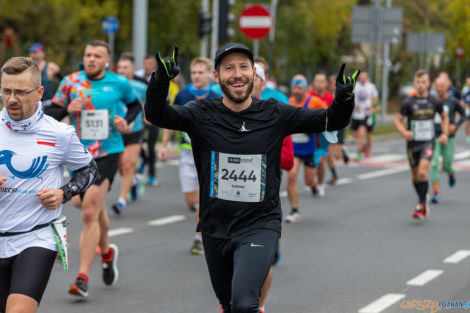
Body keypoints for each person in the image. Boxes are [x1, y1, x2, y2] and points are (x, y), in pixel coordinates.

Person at [145, 42, 357, 313]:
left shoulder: (275, 113)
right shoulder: (201, 114)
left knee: (246, 304)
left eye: (244, 67)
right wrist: (160, 80)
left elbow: (332, 120)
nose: (237, 74)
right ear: (217, 76)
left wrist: (344, 97)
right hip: (215, 227)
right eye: (229, 68)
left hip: (259, 224)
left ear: (254, 74)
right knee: (229, 305)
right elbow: (156, 114)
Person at [44, 40, 142, 297]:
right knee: (90, 207)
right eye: (88, 55)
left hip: (107, 152)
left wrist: (125, 122)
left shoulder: (119, 83)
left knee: (89, 211)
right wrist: (66, 108)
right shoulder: (71, 82)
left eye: (97, 56)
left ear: (106, 61)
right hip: (77, 154)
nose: (91, 59)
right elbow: (50, 112)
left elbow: (135, 106)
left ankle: (82, 278)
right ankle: (107, 252)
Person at [0, 56, 98, 313]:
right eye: (6, 90)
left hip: (37, 236)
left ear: (39, 92)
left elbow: (89, 168)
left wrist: (64, 193)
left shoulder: (58, 133)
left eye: (20, 92)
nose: (12, 99)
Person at [157, 57, 220, 255]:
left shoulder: (218, 95)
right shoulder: (183, 95)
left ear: (210, 74)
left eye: (201, 72)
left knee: (205, 196)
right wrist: (165, 144)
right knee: (191, 200)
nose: (197, 76)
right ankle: (206, 222)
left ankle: (199, 237)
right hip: (187, 151)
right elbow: (171, 119)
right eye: (194, 73)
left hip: (211, 153)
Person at [250, 62, 294, 313]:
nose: (248, 80)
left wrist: (266, 147)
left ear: (263, 84)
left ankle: (260, 306)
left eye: (256, 77)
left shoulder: (276, 115)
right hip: (229, 203)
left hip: (263, 201)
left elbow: (288, 161)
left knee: (260, 264)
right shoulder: (222, 112)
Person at [394, 69, 448, 220]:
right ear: (414, 83)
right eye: (418, 82)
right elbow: (398, 120)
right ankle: (423, 199)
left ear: (428, 83)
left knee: (423, 173)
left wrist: (444, 133)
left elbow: (444, 117)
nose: (421, 85)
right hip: (412, 144)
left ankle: (420, 203)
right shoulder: (408, 102)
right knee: (416, 176)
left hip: (428, 142)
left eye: (424, 82)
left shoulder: (434, 101)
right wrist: (404, 132)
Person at [286, 74, 327, 223]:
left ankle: (314, 185)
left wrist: (315, 125)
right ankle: (294, 209)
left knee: (309, 181)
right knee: (291, 177)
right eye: (294, 87)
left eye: (299, 88)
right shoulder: (287, 102)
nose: (296, 90)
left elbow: (327, 116)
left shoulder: (314, 101)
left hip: (309, 148)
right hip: (294, 148)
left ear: (305, 88)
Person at [111, 53, 148, 213]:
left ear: (132, 69)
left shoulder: (141, 87)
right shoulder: (111, 86)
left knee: (128, 164)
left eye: (125, 67)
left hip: (135, 130)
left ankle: (121, 201)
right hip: (117, 132)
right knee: (121, 169)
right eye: (119, 67)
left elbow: (147, 104)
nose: (122, 70)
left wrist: (148, 115)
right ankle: (135, 178)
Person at [430, 76, 465, 203]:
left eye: (442, 86)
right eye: (437, 86)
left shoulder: (453, 101)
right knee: (433, 164)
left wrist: (455, 125)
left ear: (447, 87)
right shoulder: (431, 101)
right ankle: (436, 193)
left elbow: (464, 115)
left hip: (449, 137)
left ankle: (451, 173)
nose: (439, 89)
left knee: (447, 164)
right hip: (434, 137)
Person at [351, 72, 378, 161]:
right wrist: (354, 104)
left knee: (363, 133)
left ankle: (358, 153)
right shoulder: (355, 86)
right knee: (355, 135)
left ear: (367, 78)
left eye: (364, 78)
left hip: (366, 113)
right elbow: (351, 97)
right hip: (357, 113)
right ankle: (362, 144)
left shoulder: (371, 86)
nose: (362, 79)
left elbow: (375, 99)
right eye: (361, 78)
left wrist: (371, 106)